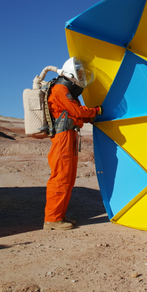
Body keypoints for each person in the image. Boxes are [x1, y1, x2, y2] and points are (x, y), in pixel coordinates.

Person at [43, 57, 102, 231]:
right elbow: (76, 111)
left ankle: (59, 215)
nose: (82, 77)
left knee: (67, 178)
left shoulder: (65, 90)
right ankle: (52, 219)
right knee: (61, 177)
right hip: (63, 138)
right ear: (71, 73)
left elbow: (76, 112)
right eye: (80, 74)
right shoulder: (60, 89)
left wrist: (90, 115)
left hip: (69, 136)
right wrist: (96, 111)